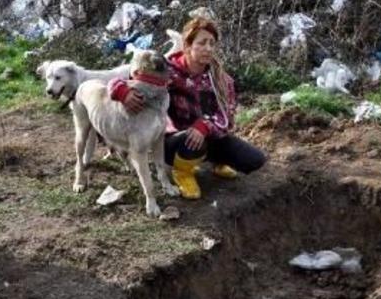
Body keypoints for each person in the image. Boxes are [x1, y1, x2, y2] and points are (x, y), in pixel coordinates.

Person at [108, 17, 266, 199]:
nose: (208, 48)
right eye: (202, 43)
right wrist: (121, 91)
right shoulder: (166, 71)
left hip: (207, 134)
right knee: (193, 141)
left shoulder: (220, 78)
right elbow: (125, 78)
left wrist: (205, 125)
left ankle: (216, 161)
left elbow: (226, 116)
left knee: (254, 160)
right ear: (187, 45)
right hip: (173, 139)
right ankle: (182, 172)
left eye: (212, 43)